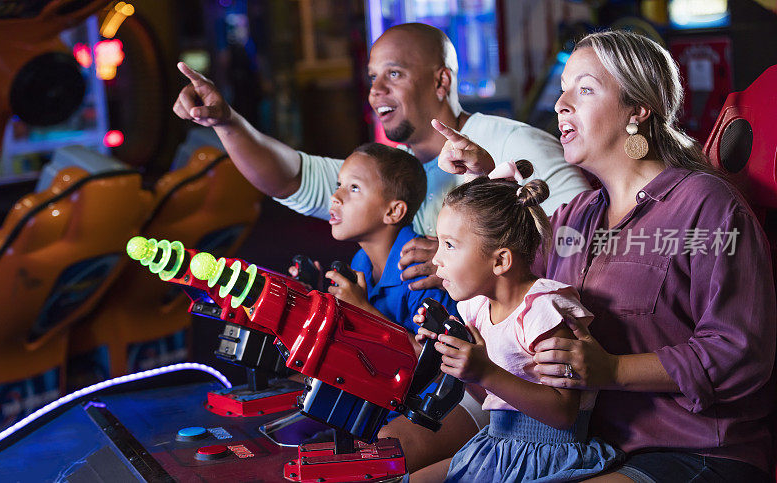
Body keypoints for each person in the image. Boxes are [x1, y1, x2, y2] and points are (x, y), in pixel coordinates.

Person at [431, 30, 776, 482]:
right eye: (562, 90)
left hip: (695, 451)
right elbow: (507, 276)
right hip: (592, 449)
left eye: (585, 89)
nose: (561, 104)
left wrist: (613, 370)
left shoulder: (706, 204)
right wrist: (487, 173)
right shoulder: (576, 218)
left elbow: (740, 352)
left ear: (637, 110)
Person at [173, 22, 591, 293]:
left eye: (393, 74)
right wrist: (225, 122)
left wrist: (464, 261)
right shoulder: (394, 172)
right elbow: (291, 179)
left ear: (441, 80)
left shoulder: (514, 145)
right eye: (373, 77)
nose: (375, 91)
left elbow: (582, 249)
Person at [407, 163, 621, 482]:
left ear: (500, 260)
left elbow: (564, 414)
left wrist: (484, 372)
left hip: (546, 454)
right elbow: (486, 387)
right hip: (496, 445)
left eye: (449, 245)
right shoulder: (476, 307)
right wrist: (447, 352)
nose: (437, 258)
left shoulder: (544, 311)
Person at [315, 142, 459, 333]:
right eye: (339, 185)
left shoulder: (421, 273)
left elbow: (435, 359)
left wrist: (363, 311)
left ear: (393, 211)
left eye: (354, 188)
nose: (335, 196)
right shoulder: (361, 260)